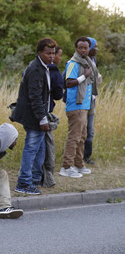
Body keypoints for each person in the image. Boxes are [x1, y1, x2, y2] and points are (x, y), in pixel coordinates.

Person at [12, 38, 56, 195]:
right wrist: (42, 119)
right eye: (47, 53)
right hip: (34, 116)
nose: (51, 56)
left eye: (53, 53)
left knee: (40, 147)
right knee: (31, 148)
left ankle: (36, 178)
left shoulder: (43, 66)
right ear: (39, 53)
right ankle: (23, 182)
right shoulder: (36, 68)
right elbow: (35, 96)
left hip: (36, 114)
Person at [59, 37, 99, 178]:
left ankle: (78, 164)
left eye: (85, 48)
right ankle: (66, 167)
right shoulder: (73, 63)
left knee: (82, 137)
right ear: (76, 48)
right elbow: (68, 83)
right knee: (74, 137)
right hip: (75, 105)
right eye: (80, 48)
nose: (83, 50)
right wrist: (84, 76)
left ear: (89, 49)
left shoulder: (88, 63)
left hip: (85, 105)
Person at [42, 45, 64, 188]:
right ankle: (47, 178)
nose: (57, 57)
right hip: (44, 113)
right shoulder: (54, 71)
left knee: (35, 147)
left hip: (31, 113)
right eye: (57, 54)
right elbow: (58, 94)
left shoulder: (34, 67)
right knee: (47, 146)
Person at [83, 37, 101, 165]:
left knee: (90, 131)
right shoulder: (80, 62)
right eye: (94, 47)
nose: (97, 49)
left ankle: (86, 157)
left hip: (91, 101)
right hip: (82, 101)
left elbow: (98, 80)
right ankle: (76, 158)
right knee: (80, 130)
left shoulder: (93, 61)